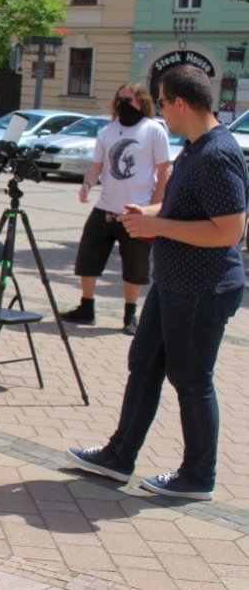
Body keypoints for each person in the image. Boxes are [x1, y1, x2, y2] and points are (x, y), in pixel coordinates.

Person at [66, 65, 248, 501]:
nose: (160, 110)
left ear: (181, 103)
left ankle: (197, 476)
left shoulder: (217, 153)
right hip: (173, 282)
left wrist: (161, 227)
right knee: (144, 364)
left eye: (164, 102)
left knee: (191, 380)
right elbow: (179, 209)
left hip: (202, 287)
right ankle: (118, 455)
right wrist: (148, 214)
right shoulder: (195, 148)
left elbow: (229, 231)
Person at [60, 83, 171, 335]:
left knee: (135, 264)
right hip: (105, 207)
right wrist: (87, 184)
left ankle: (130, 315)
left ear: (141, 103)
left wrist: (156, 202)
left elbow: (164, 169)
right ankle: (86, 307)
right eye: (119, 99)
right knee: (87, 257)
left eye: (128, 100)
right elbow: (96, 166)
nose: (122, 104)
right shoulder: (108, 131)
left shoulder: (154, 130)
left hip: (138, 210)